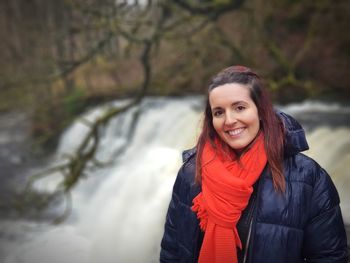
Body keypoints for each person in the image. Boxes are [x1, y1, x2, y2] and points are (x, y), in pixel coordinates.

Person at [160, 65, 348, 263]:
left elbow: (330, 257)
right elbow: (173, 252)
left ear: (260, 110)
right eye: (218, 112)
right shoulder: (191, 173)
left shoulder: (309, 178)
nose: (229, 120)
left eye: (239, 107)